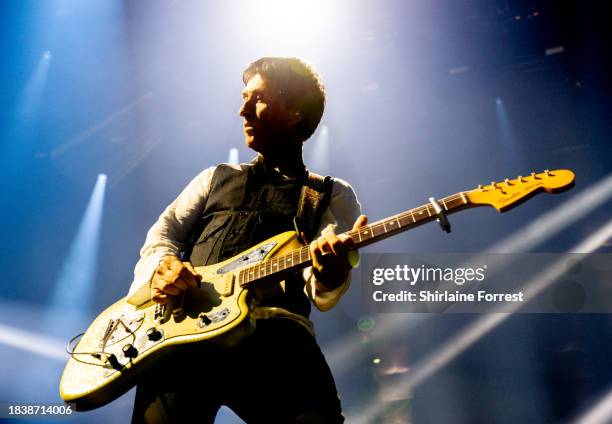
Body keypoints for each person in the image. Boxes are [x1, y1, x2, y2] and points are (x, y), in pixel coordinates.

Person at [127, 57, 367, 423]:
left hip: (276, 342)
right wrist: (163, 267)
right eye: (243, 98)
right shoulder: (213, 178)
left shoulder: (330, 194)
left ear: (295, 112)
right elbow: (164, 232)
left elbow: (322, 289)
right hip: (182, 337)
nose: (242, 110)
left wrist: (331, 272)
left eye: (258, 98)